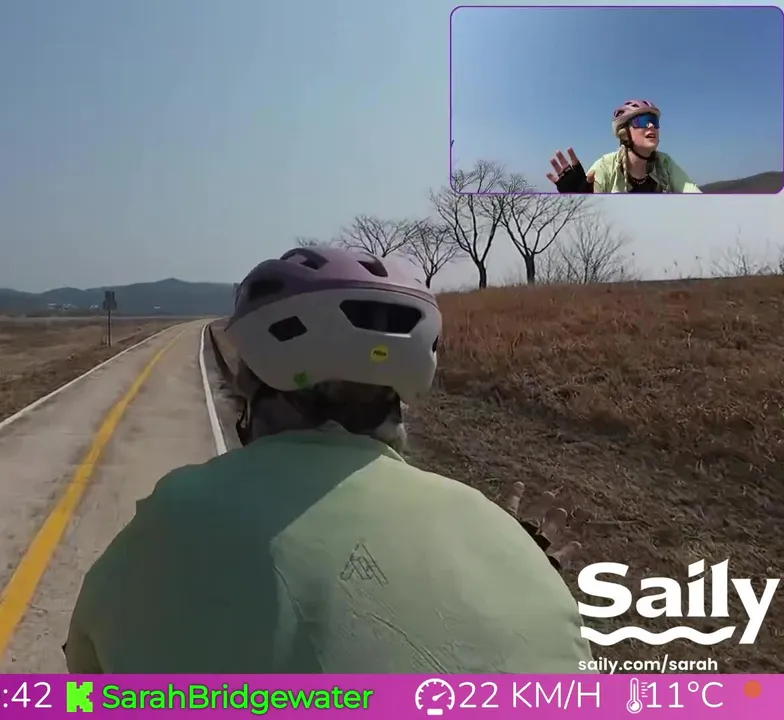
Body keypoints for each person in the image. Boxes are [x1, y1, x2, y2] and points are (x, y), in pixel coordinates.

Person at [62, 247, 595, 673]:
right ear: (403, 394)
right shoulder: (510, 545)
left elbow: (86, 667)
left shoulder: (175, 516)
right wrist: (513, 561)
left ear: (251, 387)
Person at [547, 99, 701, 193]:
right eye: (643, 121)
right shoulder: (605, 166)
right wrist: (578, 198)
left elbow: (693, 195)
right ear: (624, 133)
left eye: (654, 122)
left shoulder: (665, 164)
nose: (651, 126)